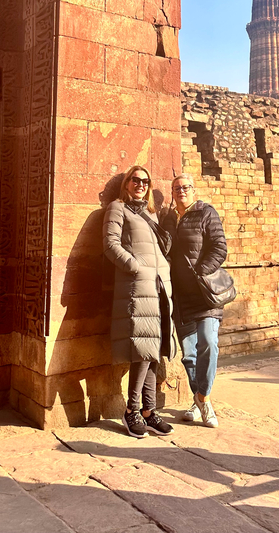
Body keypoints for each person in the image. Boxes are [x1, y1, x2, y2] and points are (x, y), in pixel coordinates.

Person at [103, 165, 176, 439]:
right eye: (136, 180)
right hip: (137, 286)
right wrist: (135, 267)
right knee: (141, 350)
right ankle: (131, 410)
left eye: (145, 181)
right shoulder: (118, 208)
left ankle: (148, 411)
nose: (141, 184)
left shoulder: (150, 213)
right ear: (127, 183)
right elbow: (110, 244)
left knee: (154, 349)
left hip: (158, 287)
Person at [162, 174, 227, 428]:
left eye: (186, 187)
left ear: (194, 191)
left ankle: (204, 399)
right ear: (172, 192)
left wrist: (201, 272)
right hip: (181, 297)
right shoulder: (169, 219)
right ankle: (199, 401)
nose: (181, 191)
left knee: (208, 343)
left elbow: (219, 247)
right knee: (189, 354)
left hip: (204, 294)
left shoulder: (205, 213)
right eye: (177, 187)